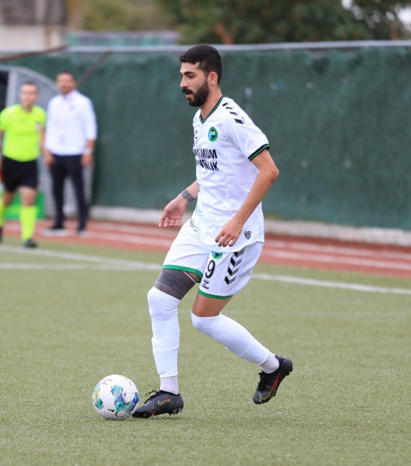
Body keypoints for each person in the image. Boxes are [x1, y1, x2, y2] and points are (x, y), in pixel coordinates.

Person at [132, 44, 292, 418]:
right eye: (181, 76)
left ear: (212, 77)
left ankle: (273, 366)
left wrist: (237, 221)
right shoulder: (199, 118)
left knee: (203, 319)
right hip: (201, 226)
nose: (183, 84)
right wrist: (182, 198)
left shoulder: (232, 118)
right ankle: (169, 393)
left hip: (235, 238)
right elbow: (213, 175)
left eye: (190, 76)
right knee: (160, 300)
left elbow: (269, 171)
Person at [0, 82, 46, 248]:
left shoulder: (40, 114)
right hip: (11, 160)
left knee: (29, 197)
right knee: (7, 198)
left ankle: (27, 238)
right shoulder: (9, 114)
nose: (28, 96)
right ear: (20, 95)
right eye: (25, 93)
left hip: (30, 161)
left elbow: (42, 135)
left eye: (31, 93)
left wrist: (46, 153)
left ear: (36, 96)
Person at [43, 71, 97, 236]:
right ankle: (59, 222)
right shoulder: (54, 102)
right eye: (61, 81)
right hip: (56, 152)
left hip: (75, 152)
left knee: (78, 189)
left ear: (73, 83)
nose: (64, 84)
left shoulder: (83, 102)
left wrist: (88, 151)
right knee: (56, 189)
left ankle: (81, 224)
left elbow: (90, 127)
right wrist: (47, 151)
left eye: (67, 81)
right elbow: (50, 128)